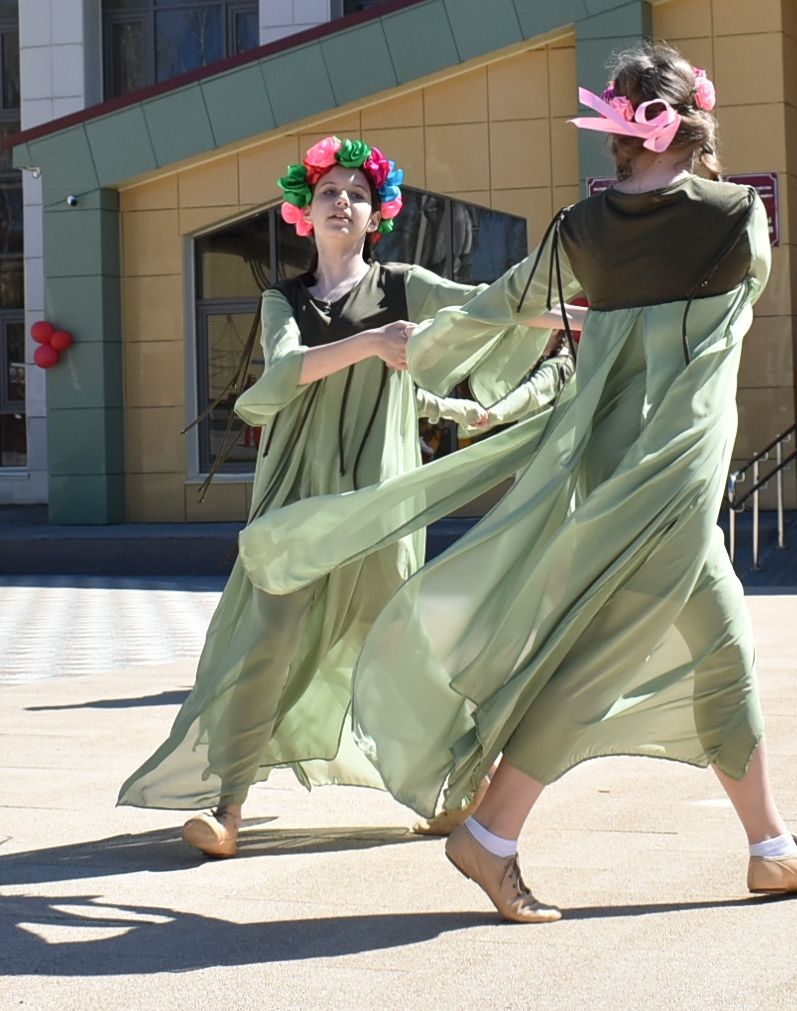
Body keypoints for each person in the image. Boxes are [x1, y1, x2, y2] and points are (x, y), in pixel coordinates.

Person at [238, 41, 797, 921]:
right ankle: (489, 835)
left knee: (723, 647)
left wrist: (427, 354)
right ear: (688, 123)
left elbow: (500, 307)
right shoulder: (734, 215)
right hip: (674, 467)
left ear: (623, 128)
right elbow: (729, 312)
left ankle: (772, 846)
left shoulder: (580, 229)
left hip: (606, 462)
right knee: (599, 656)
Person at [117, 136, 573, 857]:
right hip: (298, 494)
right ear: (305, 210)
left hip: (380, 491)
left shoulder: (403, 285)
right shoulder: (284, 299)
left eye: (356, 194)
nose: (341, 201)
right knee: (265, 640)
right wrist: (373, 342)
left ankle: (452, 792)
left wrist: (570, 319)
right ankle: (227, 804)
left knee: (404, 639)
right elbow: (282, 376)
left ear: (375, 215)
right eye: (328, 191)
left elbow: (485, 309)